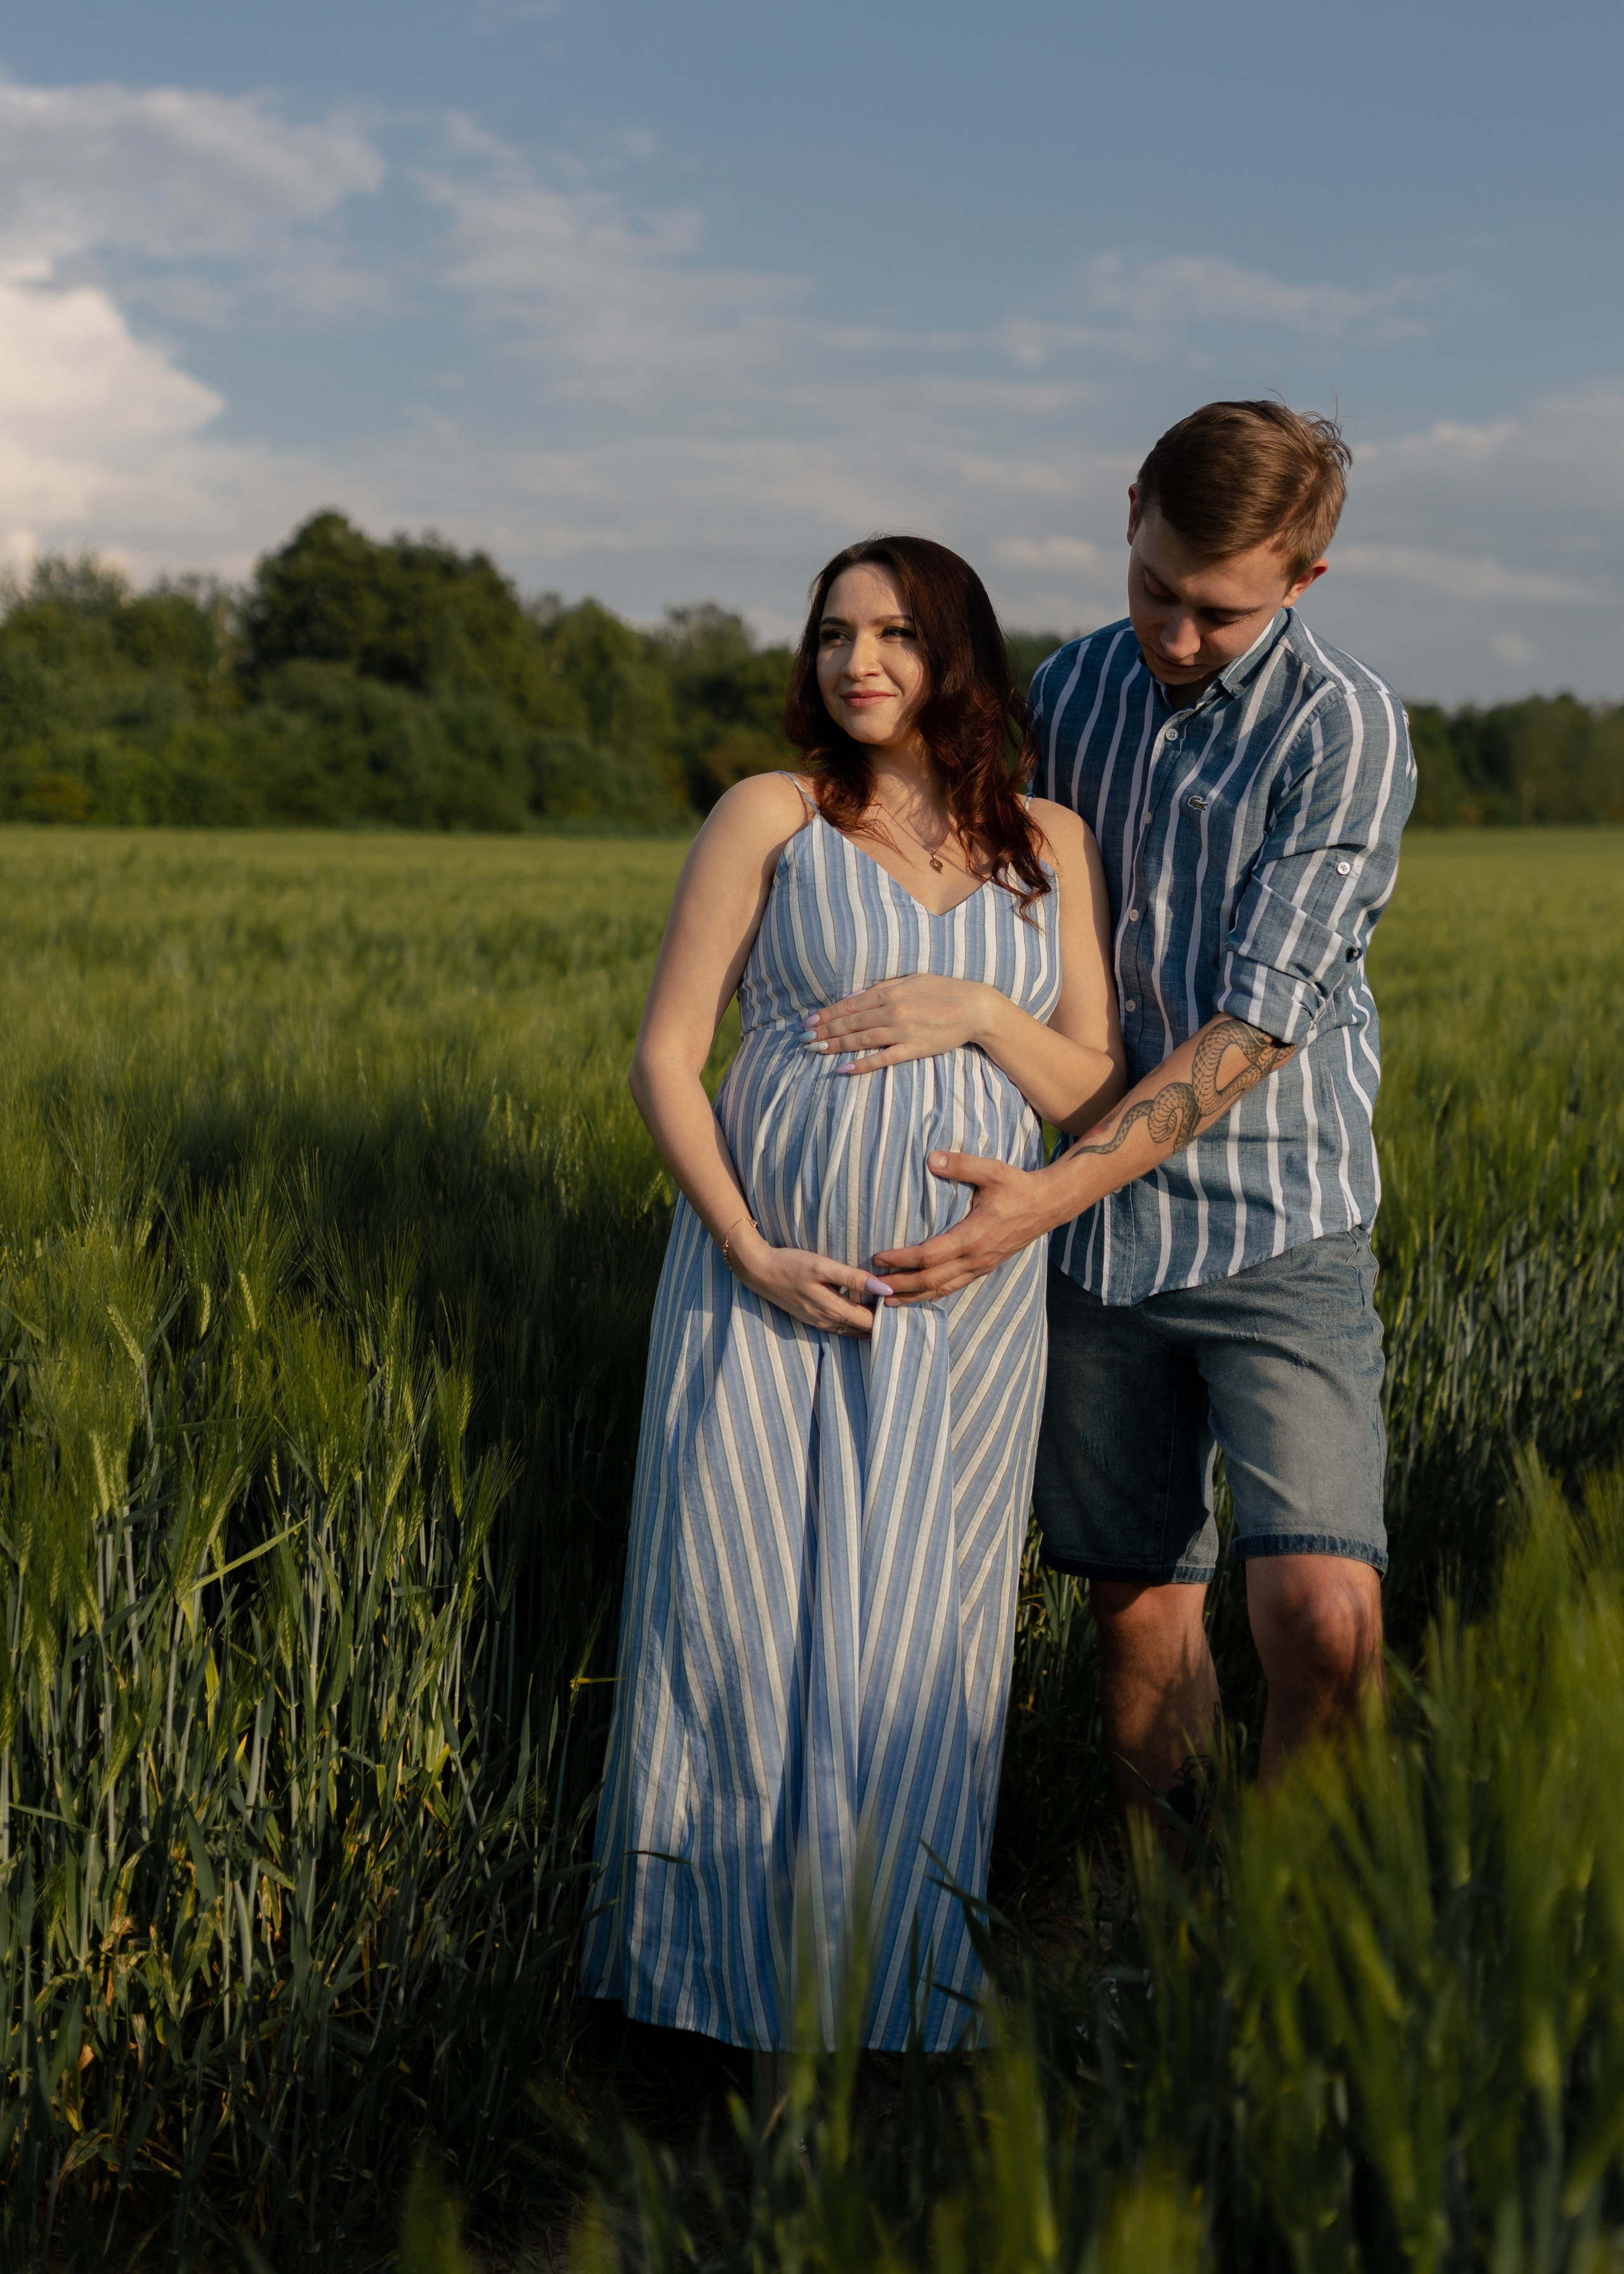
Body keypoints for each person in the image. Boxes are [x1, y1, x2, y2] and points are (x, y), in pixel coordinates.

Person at [581, 536, 1124, 2054]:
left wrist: (971, 1011)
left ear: (959, 654)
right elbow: (663, 1056)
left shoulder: (1050, 844)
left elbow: (1089, 1091)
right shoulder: (771, 813)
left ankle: (887, 2011)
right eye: (832, 634)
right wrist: (750, 1248)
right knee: (738, 1627)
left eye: (892, 633)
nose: (857, 661)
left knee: (925, 1644)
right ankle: (701, 2012)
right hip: (765, 1297)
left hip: (965, 1314)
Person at [868, 402, 1415, 1811]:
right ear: (1128, 513)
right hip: (1101, 1254)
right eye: (1154, 589)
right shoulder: (1074, 688)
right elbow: (964, 866)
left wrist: (1036, 1198)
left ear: (1302, 583)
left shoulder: (1342, 729)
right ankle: (1157, 1942)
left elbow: (1254, 1028)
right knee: (1137, 1616)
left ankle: (1296, 1954)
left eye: (1219, 615)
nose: (1173, 636)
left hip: (1273, 1226)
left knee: (1322, 1622)